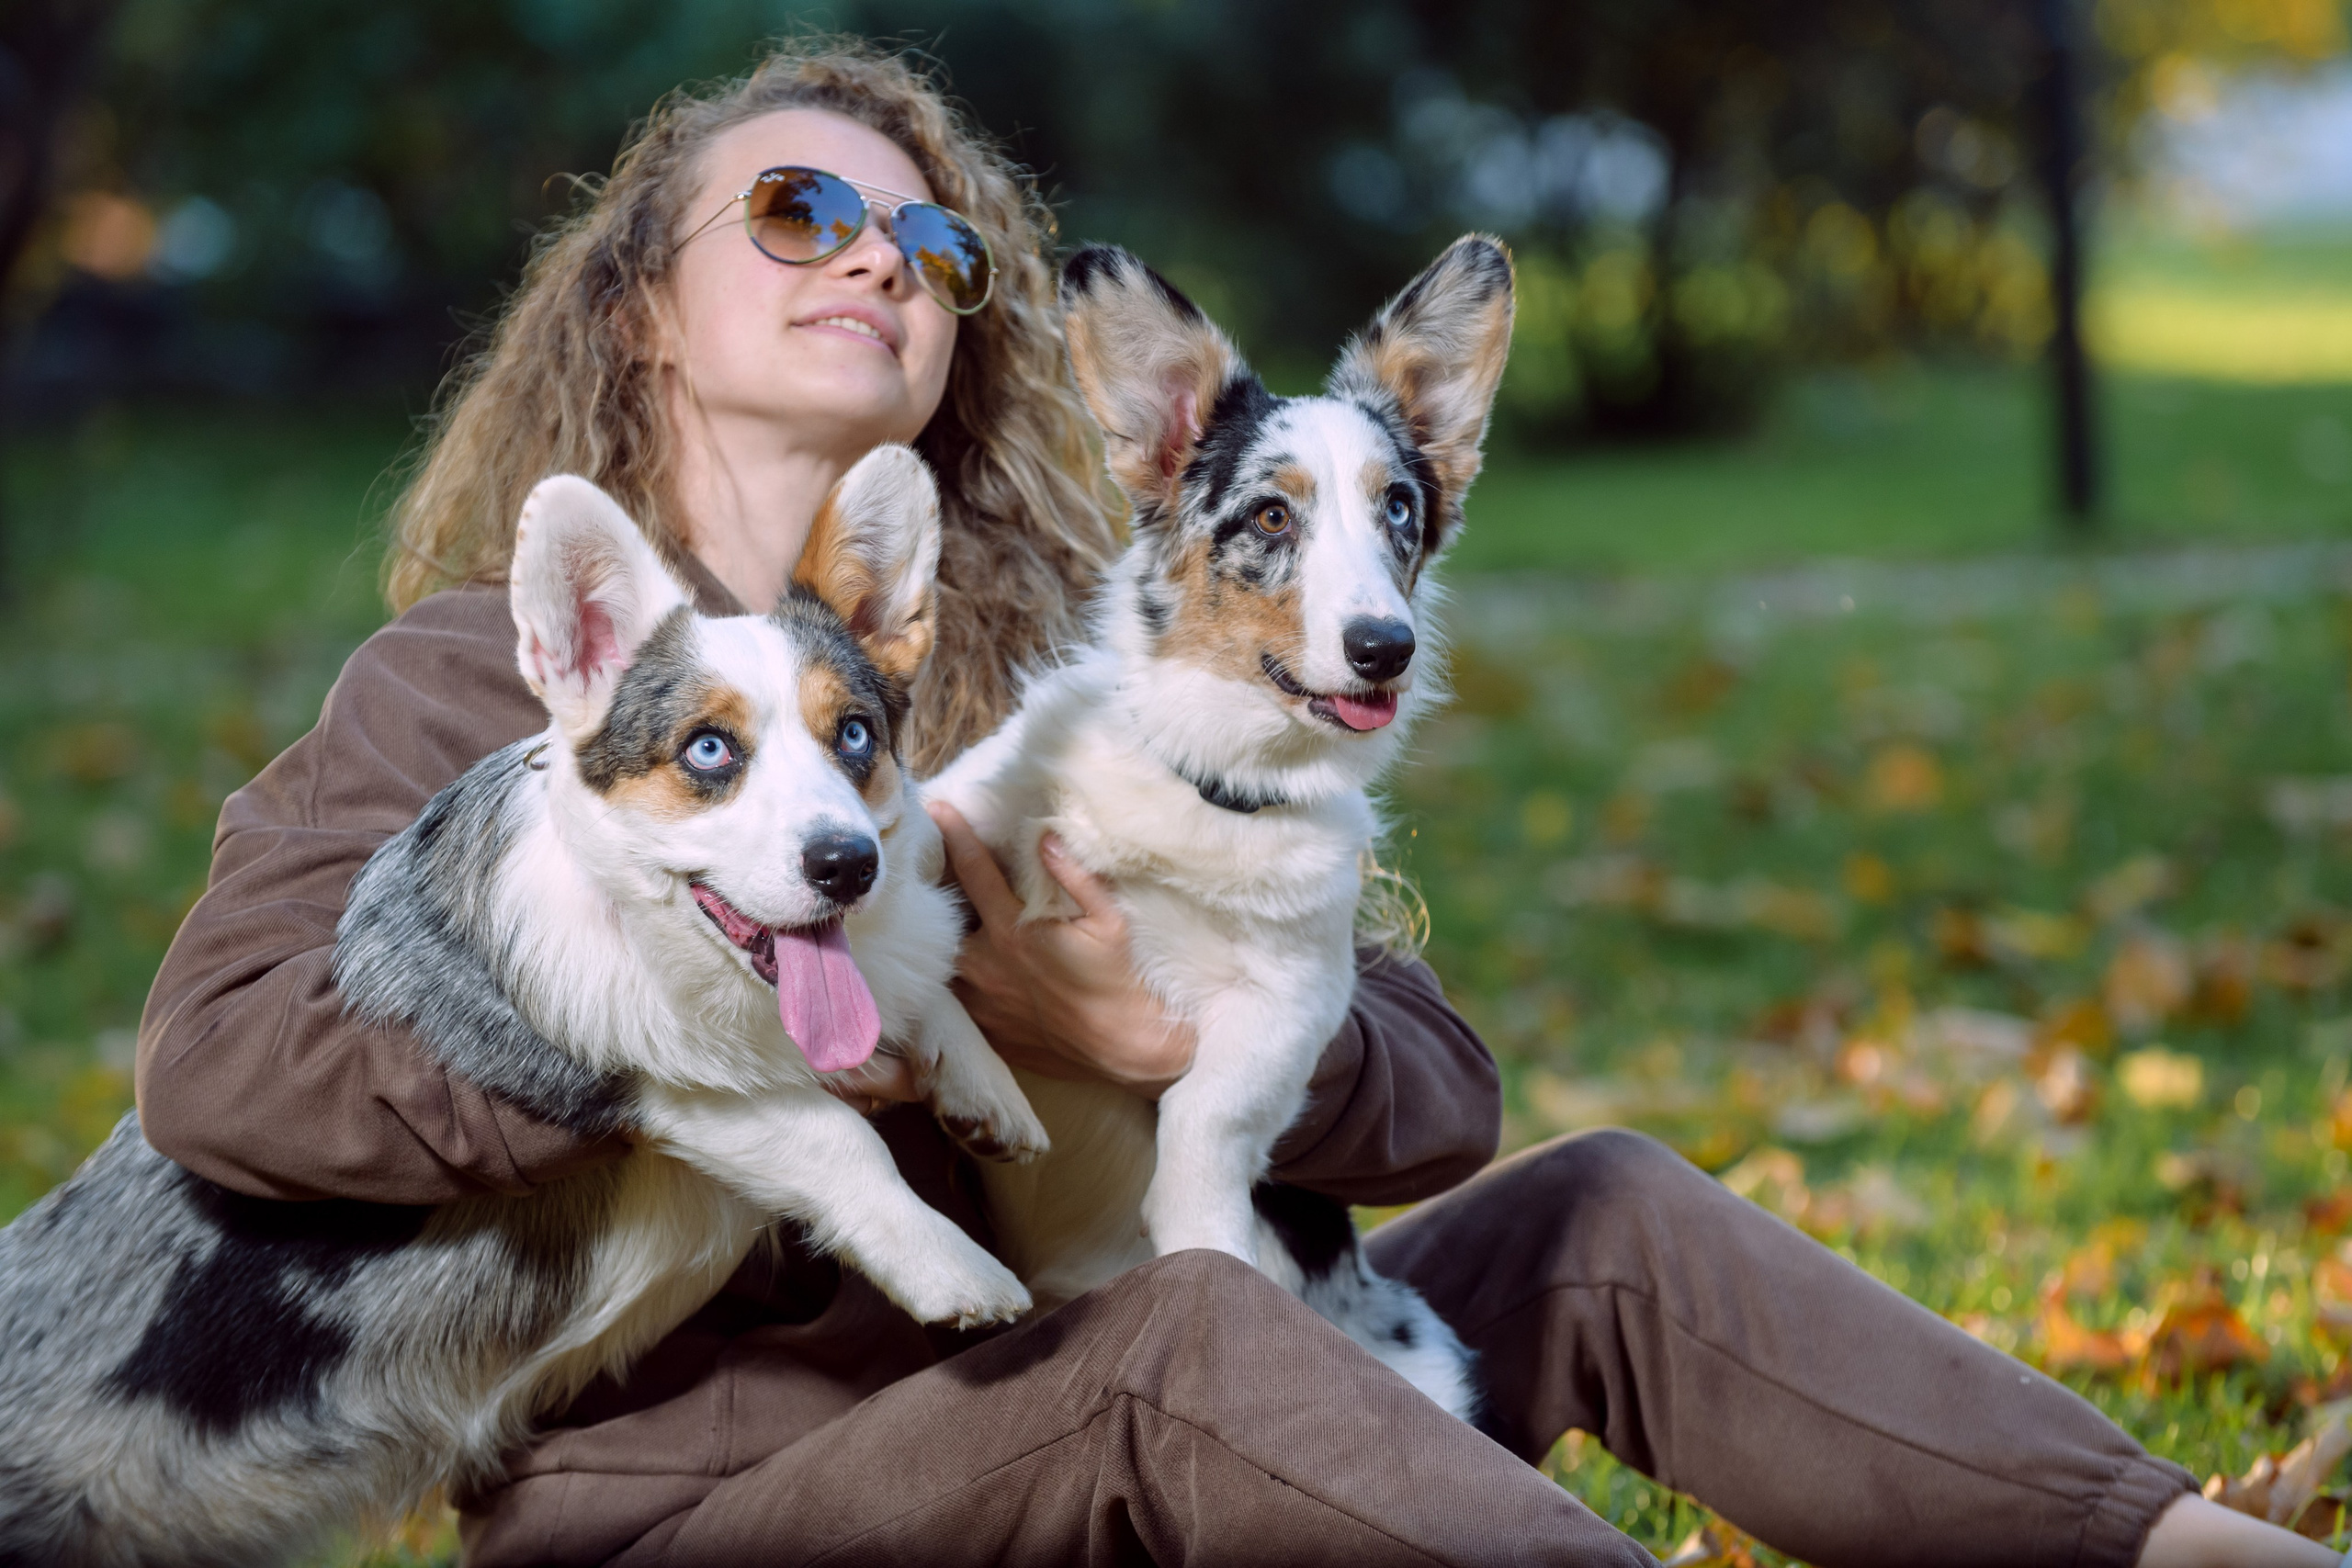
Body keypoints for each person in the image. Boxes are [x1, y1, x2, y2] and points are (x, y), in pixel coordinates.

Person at [131, 38, 2329, 1568]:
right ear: (639, 300)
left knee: (1597, 1210)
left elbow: (1436, 1086)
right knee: (1183, 1323)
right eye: (796, 208)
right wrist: (654, 1007)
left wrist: (1141, 1032)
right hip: (716, 1503)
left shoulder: (1062, 686)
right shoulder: (496, 684)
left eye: (930, 239)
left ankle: (2171, 1541)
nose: (876, 254)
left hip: (1096, 1359)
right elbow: (223, 1065)